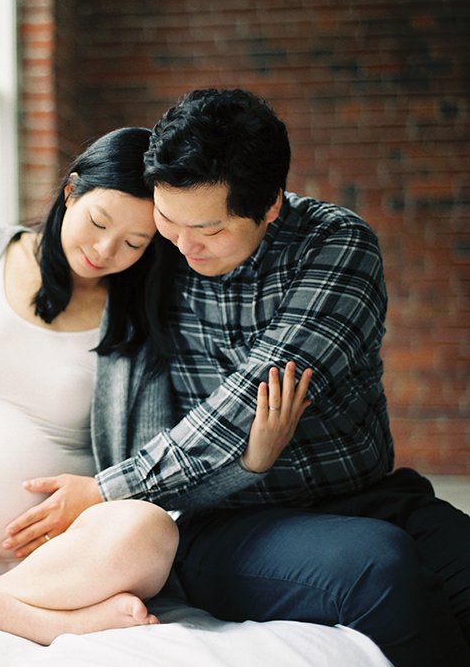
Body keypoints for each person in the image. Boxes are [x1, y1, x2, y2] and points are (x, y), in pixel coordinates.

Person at [0, 126, 310, 646]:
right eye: (97, 222)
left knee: (149, 529)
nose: (105, 249)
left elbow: (158, 472)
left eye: (134, 243)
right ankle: (42, 623)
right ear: (71, 190)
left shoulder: (139, 320)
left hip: (64, 561)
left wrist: (252, 463)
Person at [96, 88, 467, 667]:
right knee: (379, 565)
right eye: (169, 219)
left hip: (369, 495)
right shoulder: (152, 249)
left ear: (270, 206)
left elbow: (257, 391)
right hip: (229, 521)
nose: (184, 244)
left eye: (211, 230)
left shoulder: (337, 244)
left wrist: (102, 490)